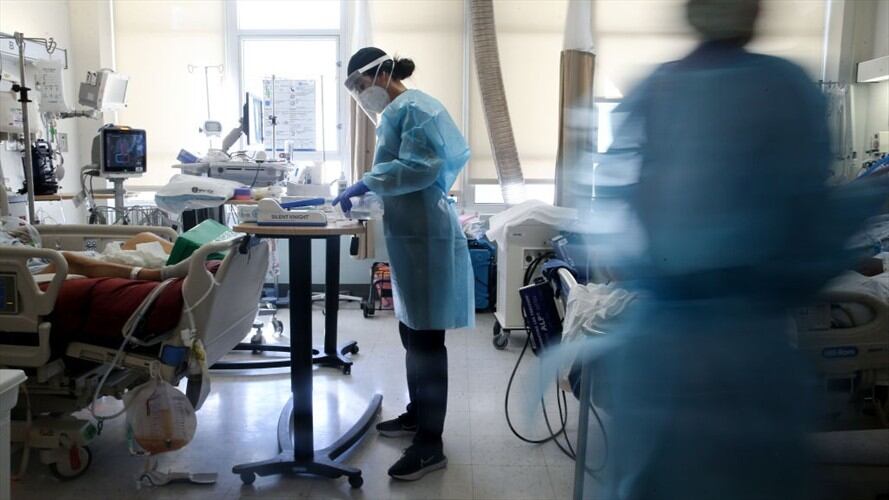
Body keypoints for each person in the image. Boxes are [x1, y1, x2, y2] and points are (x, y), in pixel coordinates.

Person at [584, 1, 887, 499]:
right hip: (744, 358)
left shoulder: (653, 90)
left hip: (654, 355)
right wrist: (874, 191)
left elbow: (619, 214)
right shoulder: (784, 88)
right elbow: (812, 231)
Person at [335, 47, 474, 481]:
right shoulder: (397, 113)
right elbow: (404, 170)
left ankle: (430, 444)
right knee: (410, 330)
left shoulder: (416, 106)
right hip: (412, 235)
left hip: (427, 237)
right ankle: (418, 413)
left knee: (426, 340)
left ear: (380, 74)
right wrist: (371, 190)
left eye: (360, 86)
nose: (361, 96)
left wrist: (366, 181)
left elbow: (420, 166)